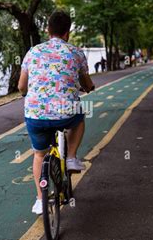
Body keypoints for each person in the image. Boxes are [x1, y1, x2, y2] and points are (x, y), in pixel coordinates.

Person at [18, 11, 95, 215]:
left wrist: (27, 92)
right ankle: (70, 157)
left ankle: (39, 200)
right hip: (66, 112)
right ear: (67, 33)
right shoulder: (76, 53)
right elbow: (87, 83)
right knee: (80, 116)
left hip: (35, 114)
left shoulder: (32, 52)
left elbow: (21, 86)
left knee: (39, 154)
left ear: (47, 30)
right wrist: (88, 87)